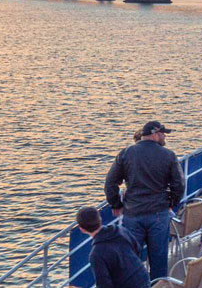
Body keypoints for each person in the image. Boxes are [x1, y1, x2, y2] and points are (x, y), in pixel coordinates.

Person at [104, 121, 184, 280]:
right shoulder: (168, 155)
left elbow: (110, 182)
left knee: (131, 258)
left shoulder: (126, 153)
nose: (164, 137)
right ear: (155, 134)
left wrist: (116, 204)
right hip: (158, 214)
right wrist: (171, 203)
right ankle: (157, 284)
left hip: (133, 214)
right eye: (163, 134)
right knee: (159, 258)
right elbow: (179, 184)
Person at [76, 206, 150, 288]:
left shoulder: (96, 254)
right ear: (100, 219)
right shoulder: (121, 230)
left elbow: (104, 284)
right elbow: (137, 249)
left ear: (82, 229)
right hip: (142, 277)